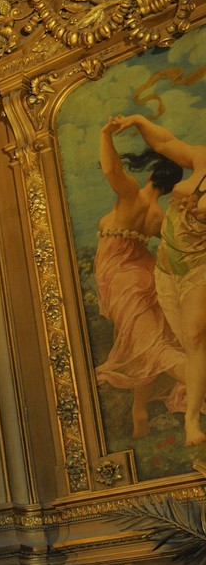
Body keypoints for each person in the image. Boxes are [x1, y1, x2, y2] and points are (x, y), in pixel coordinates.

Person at [93, 117, 186, 437]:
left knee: (153, 347)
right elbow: (176, 249)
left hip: (123, 279)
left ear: (150, 175)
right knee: (146, 344)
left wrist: (105, 134)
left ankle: (198, 381)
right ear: (170, 187)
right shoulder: (161, 217)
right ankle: (139, 412)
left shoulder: (132, 195)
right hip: (144, 274)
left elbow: (112, 171)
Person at [116, 113, 206, 445]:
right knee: (186, 342)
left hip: (200, 267)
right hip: (168, 268)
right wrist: (139, 120)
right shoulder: (202, 157)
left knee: (194, 337)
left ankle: (191, 422)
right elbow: (165, 142)